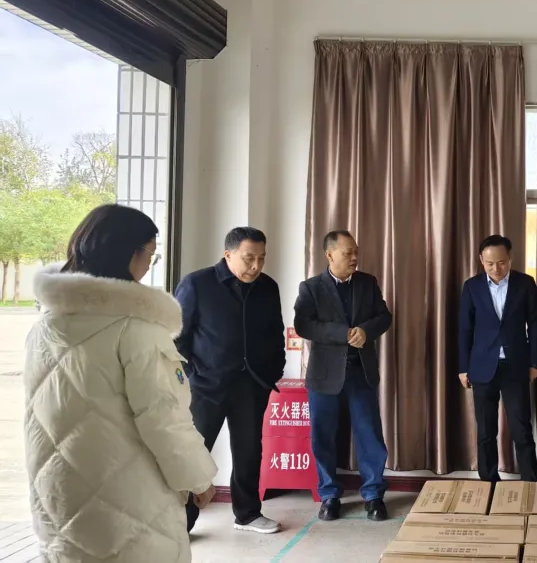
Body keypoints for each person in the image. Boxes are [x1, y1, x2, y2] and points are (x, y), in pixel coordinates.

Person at [24, 204, 217, 562]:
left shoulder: (44, 326)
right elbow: (164, 419)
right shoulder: (137, 329)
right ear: (129, 253)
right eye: (150, 254)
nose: (149, 264)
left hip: (59, 496)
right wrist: (198, 479)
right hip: (128, 505)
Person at [175, 227, 286, 534]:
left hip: (252, 385)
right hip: (206, 387)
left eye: (261, 258)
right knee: (193, 454)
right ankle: (179, 522)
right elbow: (176, 336)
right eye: (249, 258)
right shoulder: (197, 284)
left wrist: (273, 371)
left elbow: (275, 333)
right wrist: (193, 375)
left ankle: (248, 514)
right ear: (228, 255)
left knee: (249, 451)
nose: (256, 266)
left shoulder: (268, 287)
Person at [294, 230, 393, 521]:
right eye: (347, 253)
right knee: (323, 436)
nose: (354, 258)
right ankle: (329, 495)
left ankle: (374, 495)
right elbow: (303, 325)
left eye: (355, 252)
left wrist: (366, 331)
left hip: (361, 372)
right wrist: (343, 334)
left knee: (369, 434)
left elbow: (384, 317)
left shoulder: (367, 283)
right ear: (329, 255)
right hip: (324, 375)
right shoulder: (311, 287)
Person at [458, 235, 537, 483]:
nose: (496, 268)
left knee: (522, 429)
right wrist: (463, 368)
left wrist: (536, 362)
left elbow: (535, 325)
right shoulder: (472, 287)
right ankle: (489, 483)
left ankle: (531, 484)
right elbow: (464, 329)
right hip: (482, 367)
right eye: (490, 263)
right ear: (481, 260)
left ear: (510, 258)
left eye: (502, 262)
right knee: (486, 432)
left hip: (515, 366)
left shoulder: (525, 283)